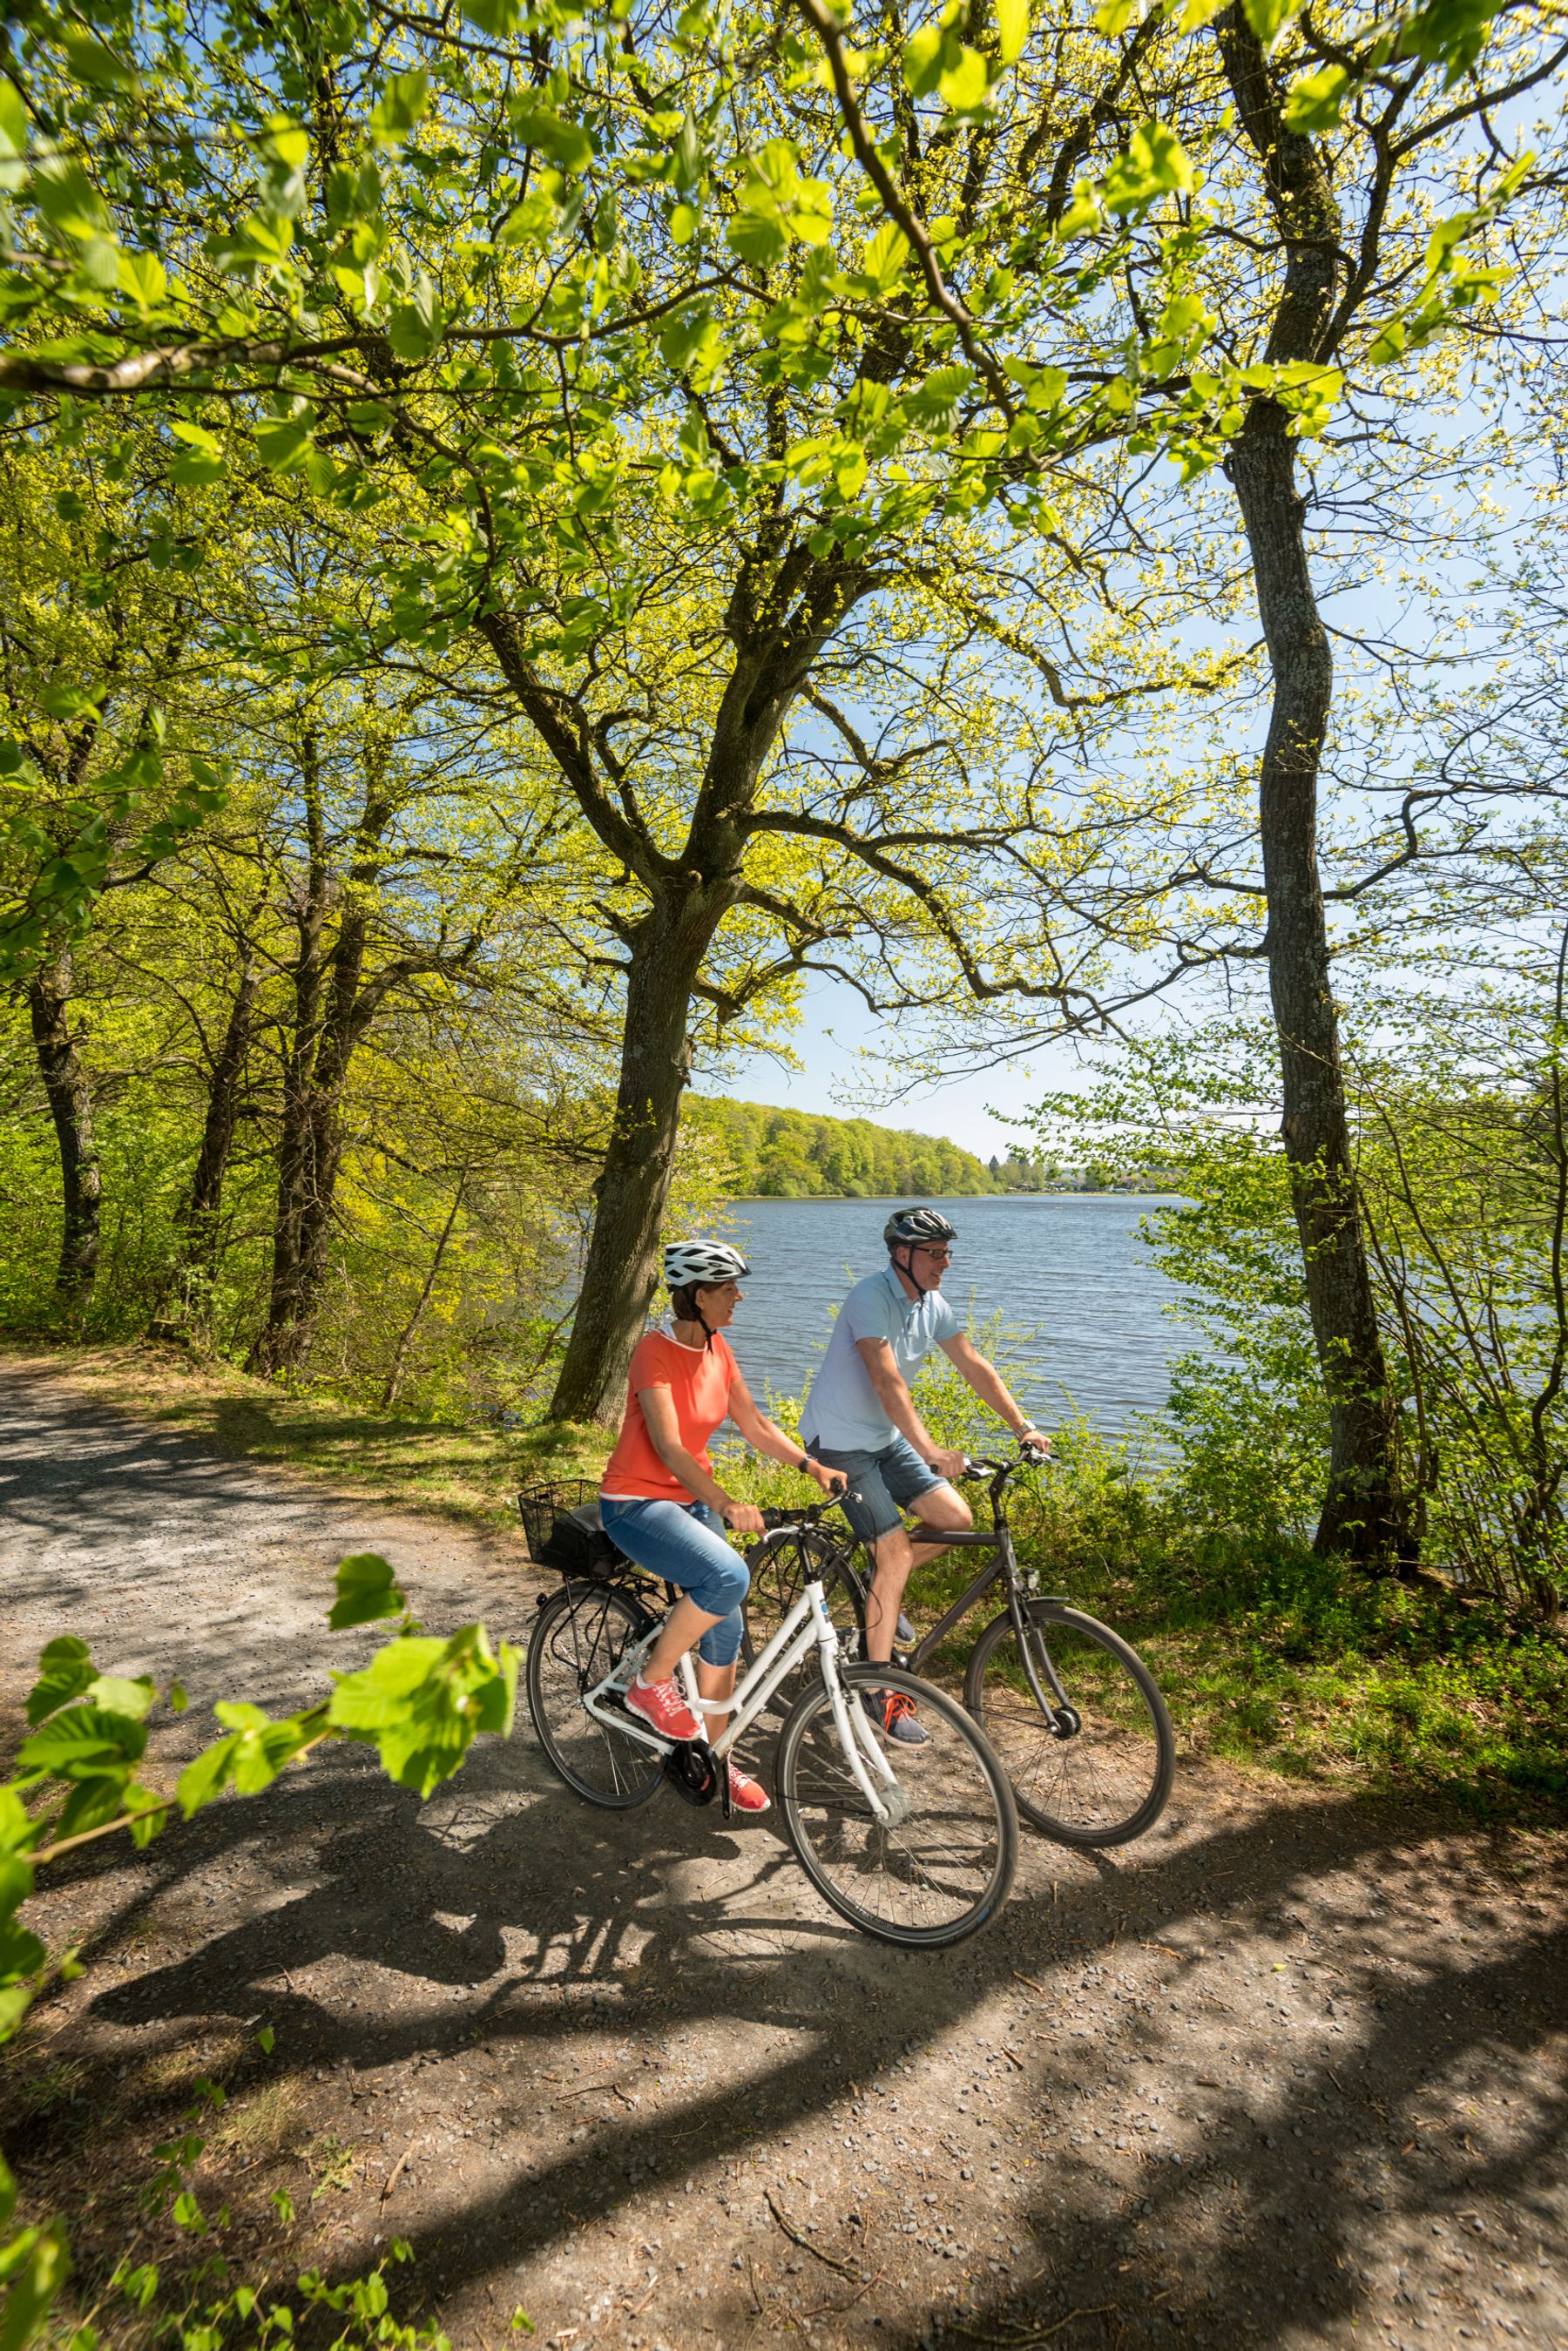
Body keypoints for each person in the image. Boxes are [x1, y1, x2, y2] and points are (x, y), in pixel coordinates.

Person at [598, 1240, 845, 1814]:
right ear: (700, 1295)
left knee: (726, 1626)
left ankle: (718, 1754)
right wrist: (728, 1501)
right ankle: (651, 1683)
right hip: (636, 1503)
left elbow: (755, 1423)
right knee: (729, 1575)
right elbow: (668, 1446)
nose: (740, 1296)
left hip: (690, 1501)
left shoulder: (719, 1350)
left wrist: (811, 1466)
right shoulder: (652, 1352)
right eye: (729, 1287)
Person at [799, 1206, 1048, 1744]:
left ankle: (875, 1590)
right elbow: (888, 1382)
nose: (946, 1263)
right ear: (902, 1255)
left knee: (955, 1519)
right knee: (895, 1554)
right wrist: (931, 1448)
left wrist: (1022, 1426)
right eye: (935, 1254)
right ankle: (876, 1691)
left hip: (884, 1440)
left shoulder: (931, 1303)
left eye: (947, 1253)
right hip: (840, 1442)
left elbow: (972, 1363)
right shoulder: (870, 1297)